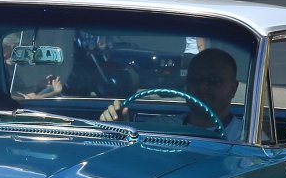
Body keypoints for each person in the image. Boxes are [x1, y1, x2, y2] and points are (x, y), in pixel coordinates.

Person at [102, 47, 238, 133]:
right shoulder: (161, 128)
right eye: (196, 79)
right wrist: (121, 129)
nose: (203, 86)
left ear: (233, 89)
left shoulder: (245, 137)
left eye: (214, 81)